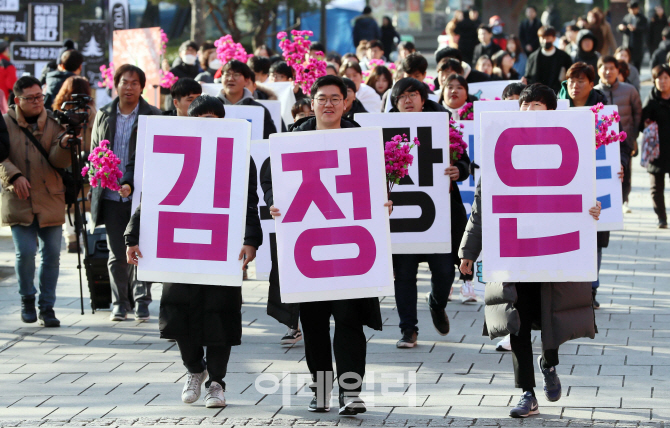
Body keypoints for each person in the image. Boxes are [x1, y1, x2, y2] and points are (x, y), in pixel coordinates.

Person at [459, 83, 601, 419]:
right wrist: (469, 250)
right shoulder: (500, 149)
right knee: (515, 320)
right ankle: (527, 391)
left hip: (553, 253)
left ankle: (549, 364)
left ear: (552, 112)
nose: (531, 110)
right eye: (526, 104)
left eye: (539, 104)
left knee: (550, 318)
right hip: (512, 252)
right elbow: (482, 205)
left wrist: (593, 210)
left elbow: (585, 197)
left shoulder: (569, 148)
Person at [264, 75, 393, 415]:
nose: (329, 104)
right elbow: (269, 177)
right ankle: (320, 389)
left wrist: (384, 200)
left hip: (351, 246)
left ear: (346, 102)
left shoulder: (362, 139)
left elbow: (377, 182)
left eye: (336, 98)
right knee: (315, 324)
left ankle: (351, 392)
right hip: (308, 249)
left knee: (349, 319)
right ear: (312, 101)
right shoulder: (293, 139)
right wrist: (274, 202)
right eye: (323, 98)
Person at [125, 94, 262, 408]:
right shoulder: (172, 154)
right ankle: (194, 369)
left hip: (222, 248)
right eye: (201, 121)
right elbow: (152, 200)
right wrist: (133, 237)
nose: (208, 127)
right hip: (179, 247)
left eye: (214, 121)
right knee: (177, 314)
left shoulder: (241, 156)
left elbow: (249, 203)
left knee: (220, 317)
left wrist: (250, 240)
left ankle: (217, 383)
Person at [387, 76, 469, 348]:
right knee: (405, 275)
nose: (408, 100)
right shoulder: (382, 129)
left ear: (424, 100)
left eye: (413, 95)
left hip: (439, 217)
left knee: (445, 271)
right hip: (402, 218)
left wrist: (459, 170)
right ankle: (407, 329)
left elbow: (464, 162)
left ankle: (436, 302)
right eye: (402, 96)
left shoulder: (442, 125)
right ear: (394, 102)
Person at [89, 64, 162, 322]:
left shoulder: (153, 115)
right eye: (124, 82)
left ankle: (142, 300)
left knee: (143, 250)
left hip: (142, 196)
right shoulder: (104, 114)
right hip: (110, 196)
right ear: (115, 84)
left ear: (142, 87)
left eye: (134, 83)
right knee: (117, 254)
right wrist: (97, 174)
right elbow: (95, 151)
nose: (129, 87)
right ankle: (120, 302)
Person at [2, 76, 71, 327]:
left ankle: (48, 307)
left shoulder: (54, 123)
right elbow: (1, 157)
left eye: (40, 97)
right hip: (19, 198)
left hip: (50, 196)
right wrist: (14, 175)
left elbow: (60, 162)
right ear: (17, 100)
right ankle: (27, 298)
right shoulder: (4, 124)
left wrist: (64, 145)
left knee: (52, 254)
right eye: (30, 98)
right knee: (25, 253)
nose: (37, 102)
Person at [52, 76, 97, 252]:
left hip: (68, 159)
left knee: (70, 201)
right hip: (87, 160)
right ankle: (90, 237)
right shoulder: (91, 110)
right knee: (87, 199)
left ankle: (71, 238)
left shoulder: (59, 110)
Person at [595, 56, 641, 212]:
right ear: (598, 70)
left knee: (625, 172)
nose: (608, 71)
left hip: (624, 141)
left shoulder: (629, 90)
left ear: (618, 70)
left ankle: (623, 200)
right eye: (604, 68)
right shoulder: (594, 93)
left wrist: (634, 137)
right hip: (602, 145)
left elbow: (637, 114)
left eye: (611, 68)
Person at [216, 60, 277, 139]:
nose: (231, 79)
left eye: (236, 74)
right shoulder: (211, 107)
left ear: (247, 80)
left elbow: (269, 141)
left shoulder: (259, 110)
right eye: (227, 74)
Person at [641, 64, 670, 228]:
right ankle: (662, 218)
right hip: (656, 150)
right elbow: (641, 124)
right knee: (656, 188)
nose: (663, 81)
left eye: (666, 77)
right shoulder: (651, 101)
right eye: (659, 78)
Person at [524, 26, 573, 93]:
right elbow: (528, 77)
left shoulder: (564, 57)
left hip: (558, 94)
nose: (545, 41)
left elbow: (570, 76)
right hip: (537, 95)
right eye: (542, 38)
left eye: (548, 38)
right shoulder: (532, 57)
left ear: (554, 38)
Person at [618, 2, 648, 70]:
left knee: (636, 65)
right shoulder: (626, 17)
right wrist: (621, 27)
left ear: (637, 8)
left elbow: (646, 29)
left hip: (638, 45)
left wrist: (636, 29)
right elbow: (620, 28)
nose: (632, 10)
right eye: (630, 9)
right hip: (627, 45)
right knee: (625, 65)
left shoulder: (642, 18)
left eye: (634, 9)